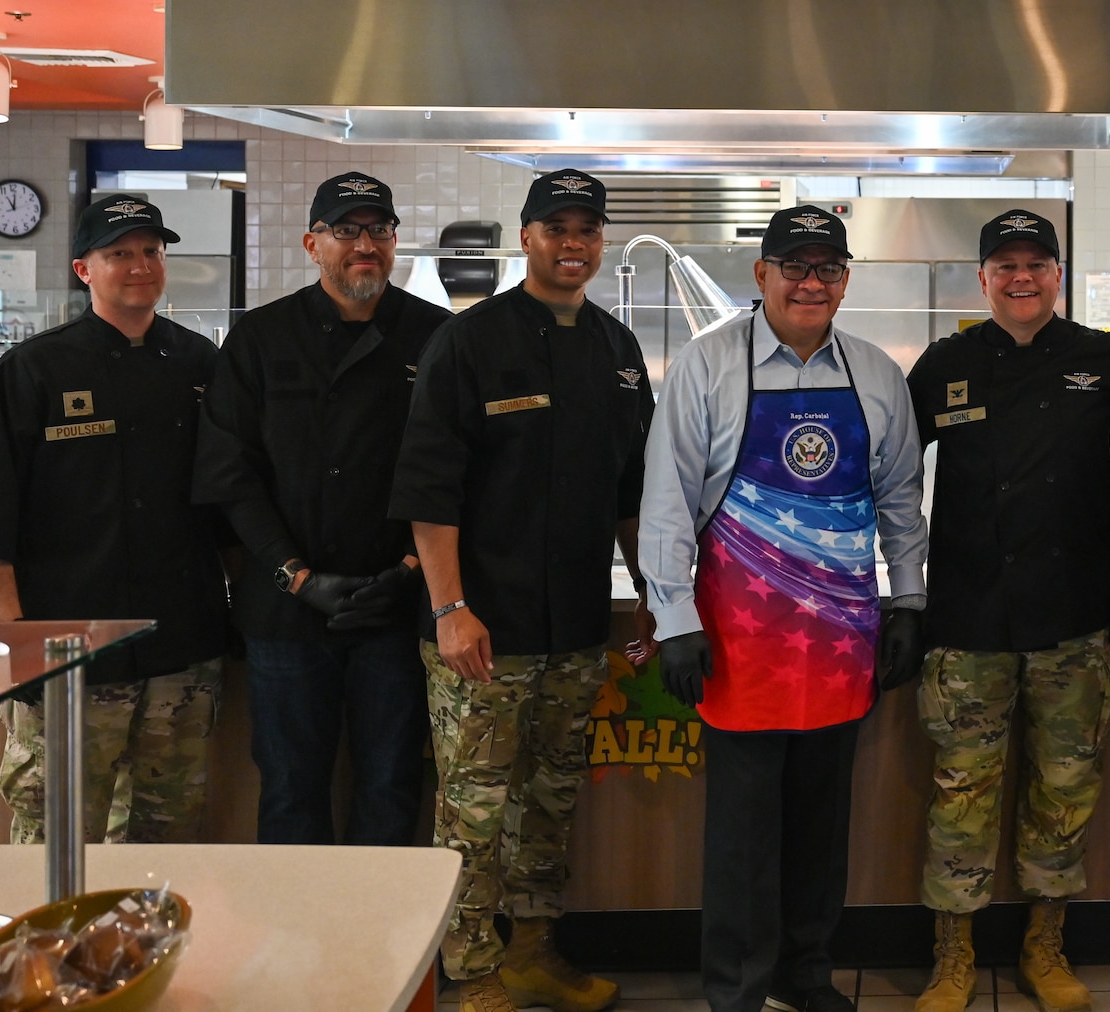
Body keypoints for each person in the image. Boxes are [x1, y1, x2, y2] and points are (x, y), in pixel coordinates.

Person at [640, 204, 929, 1012]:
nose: (810, 282)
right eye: (794, 267)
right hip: (738, 641)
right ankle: (737, 987)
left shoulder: (875, 374)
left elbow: (900, 499)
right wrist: (675, 620)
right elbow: (666, 503)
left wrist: (907, 600)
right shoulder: (708, 366)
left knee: (819, 826)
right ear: (761, 274)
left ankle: (805, 974)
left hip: (840, 639)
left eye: (827, 269)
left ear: (845, 280)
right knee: (741, 836)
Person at [388, 168, 654, 1012]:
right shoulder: (469, 342)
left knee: (548, 800)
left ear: (600, 241)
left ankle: (535, 949)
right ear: (528, 236)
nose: (572, 243)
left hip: (575, 626)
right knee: (471, 811)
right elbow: (429, 494)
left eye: (587, 229)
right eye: (556, 228)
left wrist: (654, 594)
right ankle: (468, 974)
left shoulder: (615, 352)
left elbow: (632, 496)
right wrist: (449, 609)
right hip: (483, 630)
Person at [903, 209, 1110, 1012]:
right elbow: (895, 481)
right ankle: (953, 955)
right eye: (1005, 264)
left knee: (1065, 788)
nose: (1021, 277)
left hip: (1073, 620)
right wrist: (903, 591)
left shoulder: (1105, 361)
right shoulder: (945, 364)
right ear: (983, 279)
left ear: (1057, 274)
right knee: (961, 791)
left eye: (1036, 262)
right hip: (968, 618)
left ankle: (1046, 945)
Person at [0, 196, 227, 843]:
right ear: (84, 268)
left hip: (178, 653)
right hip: (67, 657)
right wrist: (19, 649)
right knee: (55, 837)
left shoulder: (198, 364)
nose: (140, 266)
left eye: (152, 251)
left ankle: (143, 949)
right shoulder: (33, 370)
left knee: (166, 839)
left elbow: (227, 506)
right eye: (120, 254)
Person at [194, 172, 450, 847]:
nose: (364, 245)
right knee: (289, 786)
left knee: (393, 782)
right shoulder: (259, 339)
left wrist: (404, 569)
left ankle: (384, 951)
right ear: (313, 243)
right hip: (285, 612)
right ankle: (297, 953)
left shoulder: (439, 338)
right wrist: (295, 576)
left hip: (397, 604)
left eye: (378, 231)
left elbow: (456, 471)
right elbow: (231, 476)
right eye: (346, 231)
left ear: (395, 243)